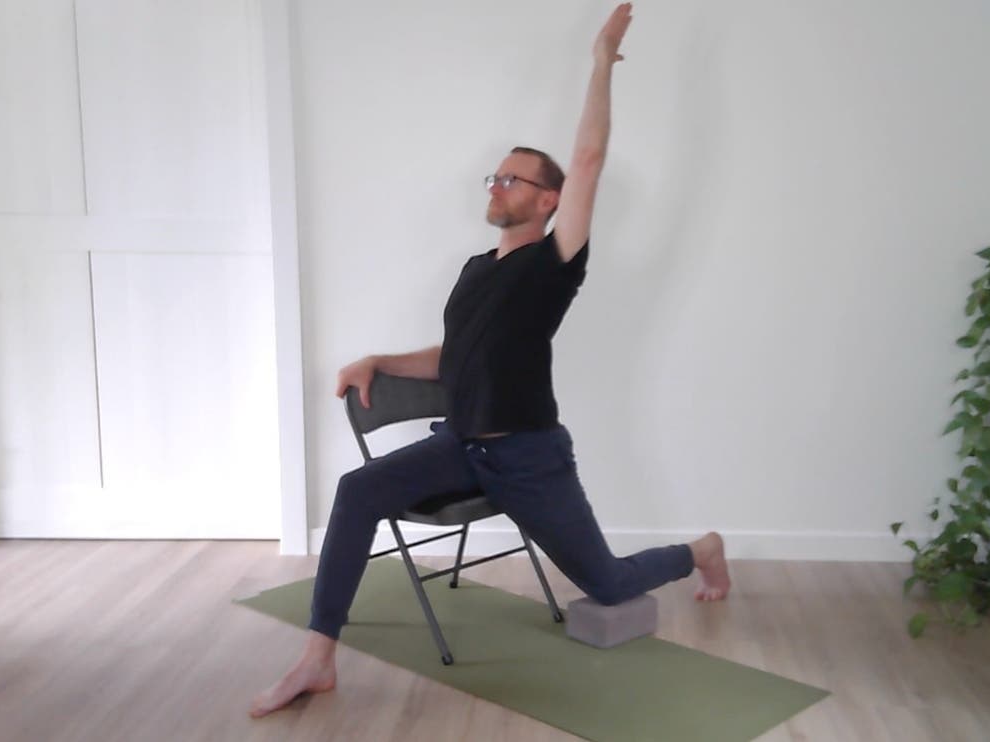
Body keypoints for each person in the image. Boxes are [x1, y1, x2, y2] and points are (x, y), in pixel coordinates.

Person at [250, 3, 729, 719]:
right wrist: (378, 360)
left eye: (513, 180)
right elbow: (455, 358)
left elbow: (590, 157)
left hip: (530, 458)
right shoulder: (477, 268)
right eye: (495, 178)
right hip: (462, 449)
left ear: (549, 201)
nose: (496, 186)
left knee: (607, 581)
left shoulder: (554, 262)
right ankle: (318, 658)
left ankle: (703, 549)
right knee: (357, 490)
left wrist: (600, 61)